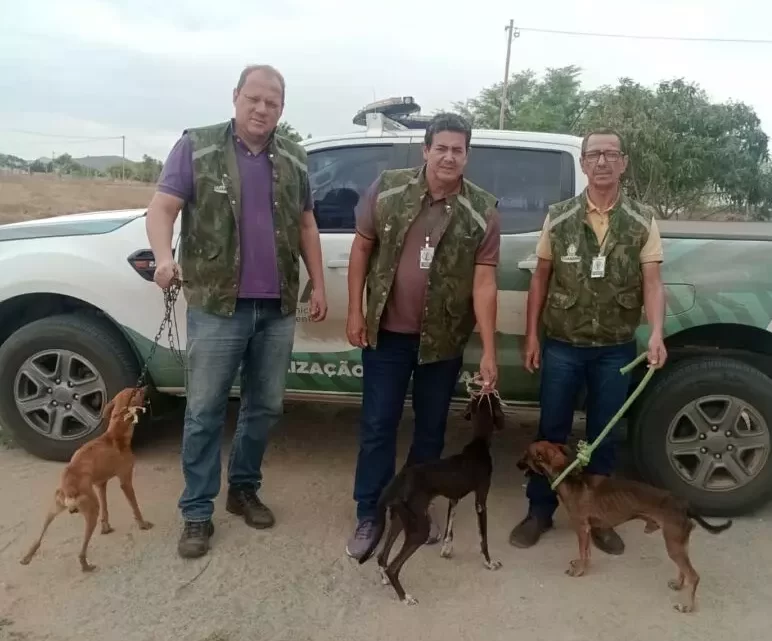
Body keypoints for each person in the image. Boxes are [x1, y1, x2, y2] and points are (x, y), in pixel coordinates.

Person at [145, 64, 327, 559]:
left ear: (282, 109)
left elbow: (307, 225)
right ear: (235, 97)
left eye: (272, 102)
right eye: (253, 99)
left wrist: (318, 283)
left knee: (264, 407)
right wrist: (164, 258)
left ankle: (243, 488)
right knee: (204, 411)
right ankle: (196, 512)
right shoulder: (197, 146)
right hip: (217, 306)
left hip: (276, 307)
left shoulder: (294, 156)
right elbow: (162, 208)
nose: (261, 109)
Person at [343, 113, 501, 559]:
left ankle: (413, 509)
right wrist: (355, 310)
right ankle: (370, 512)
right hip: (387, 336)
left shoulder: (482, 210)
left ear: (468, 155)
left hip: (442, 341)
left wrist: (489, 351)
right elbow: (361, 248)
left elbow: (484, 283)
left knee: (430, 433)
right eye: (442, 147)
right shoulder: (388, 189)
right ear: (426, 150)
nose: (449, 156)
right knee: (377, 427)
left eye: (459, 149)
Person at [508, 128, 668, 553]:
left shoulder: (641, 220)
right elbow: (540, 276)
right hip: (562, 344)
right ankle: (539, 511)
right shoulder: (559, 216)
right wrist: (531, 336)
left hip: (615, 347)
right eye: (593, 154)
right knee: (551, 432)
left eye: (610, 154)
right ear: (582, 163)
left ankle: (598, 517)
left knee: (604, 434)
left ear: (623, 162)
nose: (601, 162)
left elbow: (652, 281)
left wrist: (655, 333)